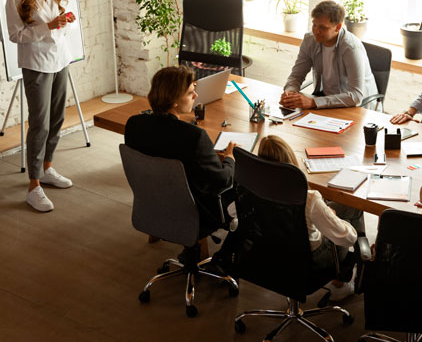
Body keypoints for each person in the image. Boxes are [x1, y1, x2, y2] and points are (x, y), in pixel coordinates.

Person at [216, 135, 358, 301]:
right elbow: (347, 239)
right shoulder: (309, 199)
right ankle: (343, 283)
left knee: (340, 213)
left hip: (265, 253)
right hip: (306, 262)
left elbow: (233, 212)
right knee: (350, 219)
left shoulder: (249, 192)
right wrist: (335, 220)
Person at [5, 0, 76, 212]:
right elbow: (16, 35)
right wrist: (48, 27)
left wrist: (63, 22)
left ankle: (47, 168)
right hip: (36, 65)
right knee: (39, 124)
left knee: (57, 118)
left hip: (60, 60)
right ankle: (33, 185)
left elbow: (59, 27)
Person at [125, 66, 236, 237]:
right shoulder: (194, 136)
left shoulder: (133, 124)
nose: (196, 95)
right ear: (174, 100)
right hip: (196, 213)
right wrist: (229, 158)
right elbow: (222, 180)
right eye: (190, 92)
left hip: (151, 205)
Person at [280, 0, 378, 110]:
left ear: (338, 27)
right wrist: (290, 92)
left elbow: (356, 96)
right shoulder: (310, 40)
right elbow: (296, 76)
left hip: (358, 109)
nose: (316, 31)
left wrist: (313, 102)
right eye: (314, 25)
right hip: (326, 103)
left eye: (322, 27)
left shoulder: (351, 48)